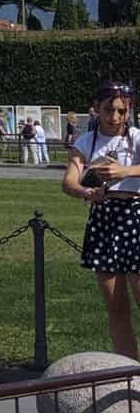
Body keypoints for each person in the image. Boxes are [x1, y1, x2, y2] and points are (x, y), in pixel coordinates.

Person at [63, 81, 140, 355]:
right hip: (104, 219)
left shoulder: (136, 138)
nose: (115, 117)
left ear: (129, 110)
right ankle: (129, 375)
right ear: (97, 109)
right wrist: (87, 192)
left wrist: (126, 172)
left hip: (135, 216)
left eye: (122, 110)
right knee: (116, 308)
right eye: (109, 110)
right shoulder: (87, 142)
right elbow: (69, 182)